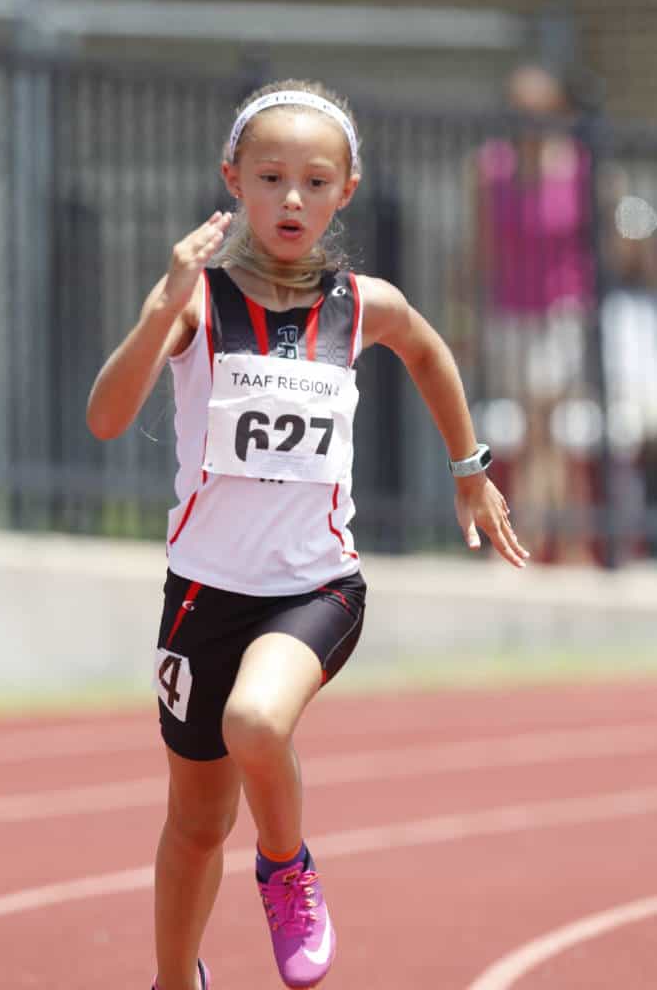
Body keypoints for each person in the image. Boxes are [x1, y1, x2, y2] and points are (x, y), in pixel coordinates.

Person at [86, 79, 528, 990]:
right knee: (196, 822)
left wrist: (468, 466)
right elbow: (104, 416)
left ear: (346, 191)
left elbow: (430, 353)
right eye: (272, 177)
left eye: (316, 182)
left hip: (314, 588)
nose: (293, 199)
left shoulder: (364, 304)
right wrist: (158, 309)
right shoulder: (198, 301)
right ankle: (177, 980)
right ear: (233, 182)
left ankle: (285, 866)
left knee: (255, 720)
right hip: (203, 594)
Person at [470, 62, 598, 563]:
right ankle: (560, 546)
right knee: (533, 436)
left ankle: (541, 544)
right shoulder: (490, 169)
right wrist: (467, 321)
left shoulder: (581, 167)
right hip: (508, 316)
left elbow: (597, 248)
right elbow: (478, 251)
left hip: (563, 317)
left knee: (550, 432)